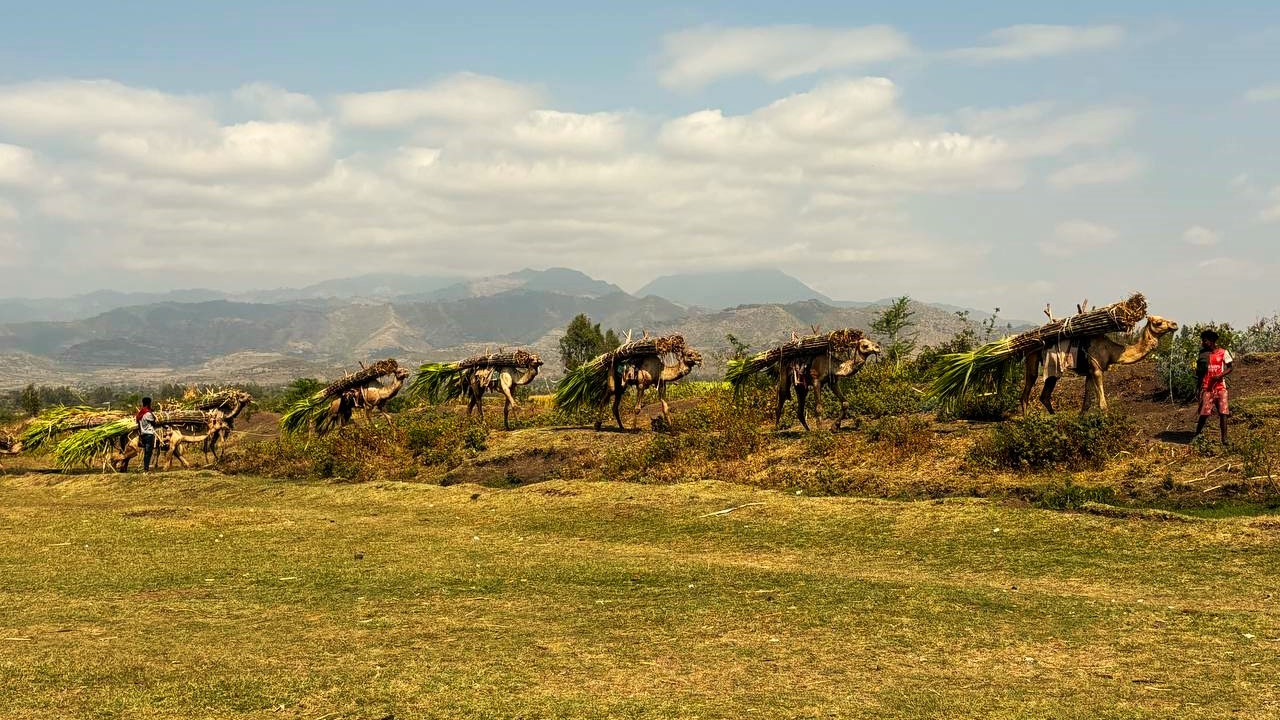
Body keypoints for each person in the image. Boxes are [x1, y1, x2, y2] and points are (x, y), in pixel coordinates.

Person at [1194, 330, 1233, 444]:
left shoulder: (1223, 352)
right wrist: (1199, 388)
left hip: (1221, 387)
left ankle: (1224, 439)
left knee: (1223, 413)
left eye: (1205, 341)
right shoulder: (1203, 355)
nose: (1203, 343)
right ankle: (1196, 436)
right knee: (1204, 413)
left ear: (1211, 341)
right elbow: (1200, 372)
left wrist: (1220, 375)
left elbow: (1230, 367)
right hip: (1208, 388)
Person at [136, 397, 157, 472]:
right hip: (149, 435)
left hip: (143, 435)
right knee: (148, 452)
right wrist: (152, 414)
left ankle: (146, 467)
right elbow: (154, 423)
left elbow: (139, 425)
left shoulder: (140, 414)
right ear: (149, 404)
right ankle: (146, 469)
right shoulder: (148, 413)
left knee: (146, 452)